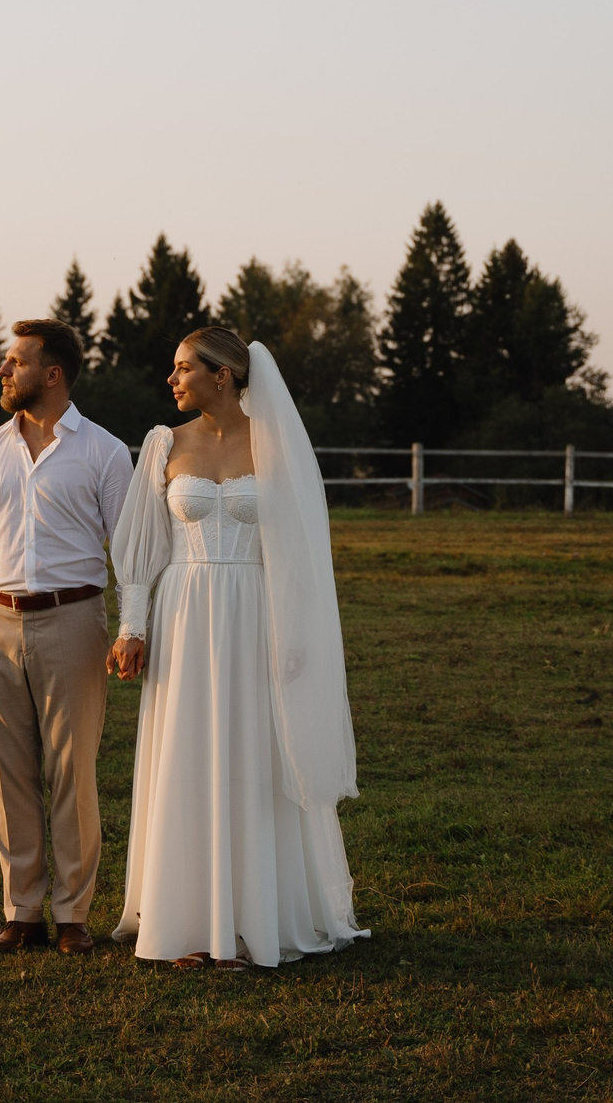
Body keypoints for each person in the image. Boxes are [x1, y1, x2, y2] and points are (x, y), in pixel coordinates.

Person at [108, 326, 368, 969]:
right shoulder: (162, 444)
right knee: (188, 758)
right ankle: (188, 922)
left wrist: (300, 637)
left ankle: (256, 919)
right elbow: (142, 547)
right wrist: (132, 627)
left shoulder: (276, 443)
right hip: (185, 617)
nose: (171, 380)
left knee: (253, 761)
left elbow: (303, 554)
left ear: (222, 375)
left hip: (258, 616)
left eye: (182, 368)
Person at [0, 317, 134, 956]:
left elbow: (128, 551)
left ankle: (73, 916)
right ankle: (22, 913)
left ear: (52, 374)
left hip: (75, 621)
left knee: (74, 772)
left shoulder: (104, 451)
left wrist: (133, 627)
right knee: (10, 772)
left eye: (14, 362)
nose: (3, 370)